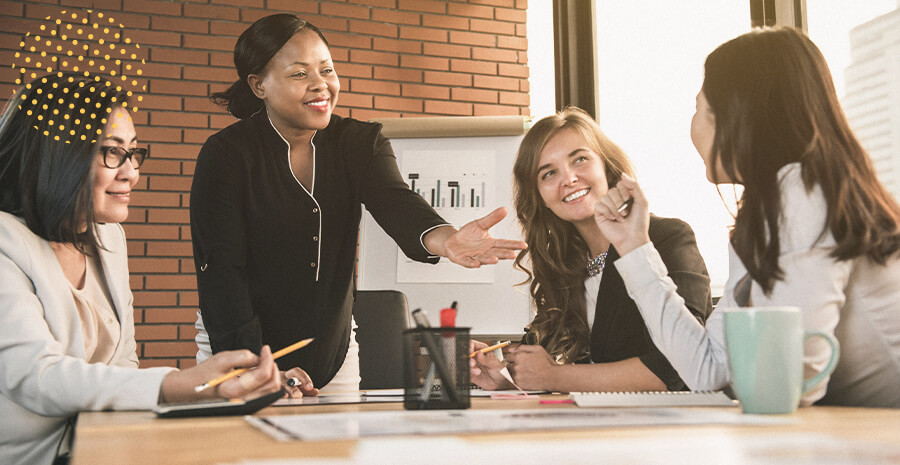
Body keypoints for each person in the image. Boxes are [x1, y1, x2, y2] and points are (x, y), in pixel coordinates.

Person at [190, 14, 526, 395]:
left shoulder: (359, 142)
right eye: (299, 74)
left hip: (333, 350)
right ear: (258, 85)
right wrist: (255, 368)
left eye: (327, 69)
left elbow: (397, 202)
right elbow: (221, 274)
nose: (321, 85)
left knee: (337, 452)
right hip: (238, 347)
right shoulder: (226, 156)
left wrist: (446, 240)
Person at [595, 27, 900, 408]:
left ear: (739, 114)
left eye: (698, 107)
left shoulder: (801, 195)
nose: (693, 128)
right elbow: (708, 369)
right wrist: (633, 245)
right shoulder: (771, 208)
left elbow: (791, 385)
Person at [0, 72, 283, 465]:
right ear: (59, 153)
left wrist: (222, 388)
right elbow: (37, 377)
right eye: (112, 152)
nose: (131, 172)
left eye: (133, 152)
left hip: (103, 448)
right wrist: (180, 384)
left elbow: (122, 370)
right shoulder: (5, 244)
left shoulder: (110, 239)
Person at [470, 107, 713, 392]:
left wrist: (556, 377)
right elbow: (551, 368)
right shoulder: (564, 265)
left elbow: (679, 368)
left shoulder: (666, 238)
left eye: (580, 159)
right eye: (549, 173)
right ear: (540, 197)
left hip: (672, 428)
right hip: (601, 426)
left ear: (607, 167)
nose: (569, 178)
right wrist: (505, 378)